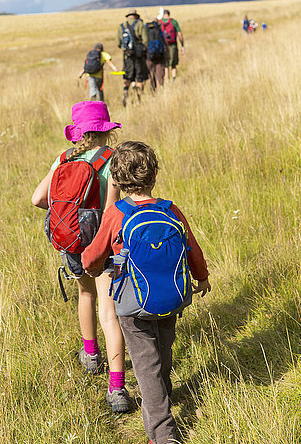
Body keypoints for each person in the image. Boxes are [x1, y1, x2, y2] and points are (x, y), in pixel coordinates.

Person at [82, 141, 211, 444]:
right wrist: (202, 278)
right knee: (163, 351)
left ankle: (163, 435)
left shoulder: (116, 213)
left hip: (131, 304)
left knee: (146, 367)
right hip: (172, 297)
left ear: (117, 179)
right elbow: (192, 248)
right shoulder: (170, 210)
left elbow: (93, 255)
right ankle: (163, 396)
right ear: (154, 173)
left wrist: (90, 267)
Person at [31, 101, 132, 413]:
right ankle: (116, 388)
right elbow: (111, 210)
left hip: (72, 241)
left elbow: (37, 199)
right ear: (104, 130)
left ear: (77, 133)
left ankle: (91, 356)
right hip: (101, 244)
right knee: (109, 311)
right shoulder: (110, 160)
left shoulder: (62, 159)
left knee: (84, 294)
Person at [116, 9, 149, 106]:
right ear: (136, 16)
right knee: (139, 77)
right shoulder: (140, 24)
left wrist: (126, 50)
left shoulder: (121, 26)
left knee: (127, 76)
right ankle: (138, 99)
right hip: (138, 57)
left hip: (127, 57)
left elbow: (118, 43)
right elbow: (145, 40)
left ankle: (125, 93)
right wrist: (143, 51)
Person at [159, 9, 185, 82]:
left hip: (163, 46)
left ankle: (166, 79)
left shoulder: (159, 23)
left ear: (163, 14)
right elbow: (179, 35)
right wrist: (182, 45)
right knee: (173, 64)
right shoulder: (173, 22)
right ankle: (174, 79)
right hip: (172, 45)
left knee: (166, 64)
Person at [145, 19, 168, 91]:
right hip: (160, 55)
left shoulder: (146, 32)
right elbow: (165, 42)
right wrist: (167, 54)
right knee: (160, 73)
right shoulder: (159, 31)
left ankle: (153, 91)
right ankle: (161, 88)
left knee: (151, 74)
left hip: (149, 55)